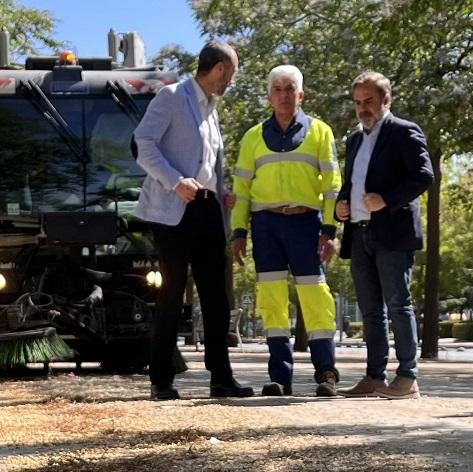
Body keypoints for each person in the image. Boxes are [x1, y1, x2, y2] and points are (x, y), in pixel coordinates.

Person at [133, 41, 253, 401]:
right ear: (218, 69)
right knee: (171, 294)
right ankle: (162, 380)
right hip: (173, 210)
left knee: (217, 295)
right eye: (230, 74)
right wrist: (175, 181)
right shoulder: (172, 97)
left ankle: (221, 379)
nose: (230, 81)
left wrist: (223, 190)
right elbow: (142, 144)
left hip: (207, 209)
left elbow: (208, 162)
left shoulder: (211, 110)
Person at [231, 65, 341, 397]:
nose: (283, 95)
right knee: (272, 302)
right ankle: (280, 377)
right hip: (265, 226)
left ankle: (326, 374)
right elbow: (241, 189)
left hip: (307, 225)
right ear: (268, 96)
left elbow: (332, 185)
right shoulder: (252, 138)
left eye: (289, 88)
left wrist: (330, 229)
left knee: (316, 298)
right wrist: (238, 231)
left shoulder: (321, 132)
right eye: (277, 89)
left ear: (301, 94)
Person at [335, 71, 434, 399]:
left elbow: (424, 176)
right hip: (360, 233)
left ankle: (408, 376)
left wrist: (386, 199)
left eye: (369, 101)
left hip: (393, 232)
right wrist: (341, 205)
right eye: (358, 102)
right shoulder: (353, 139)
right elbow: (349, 184)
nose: (363, 108)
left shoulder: (404, 132)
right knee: (369, 310)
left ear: (386, 100)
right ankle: (375, 376)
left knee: (398, 304)